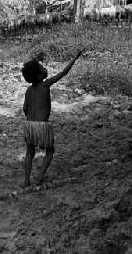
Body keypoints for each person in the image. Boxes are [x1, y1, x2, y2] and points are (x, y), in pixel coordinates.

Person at [21, 50, 83, 188]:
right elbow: (63, 72)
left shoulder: (29, 91)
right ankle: (40, 175)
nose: (44, 68)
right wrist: (75, 58)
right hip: (43, 125)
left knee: (30, 152)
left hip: (29, 125)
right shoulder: (46, 84)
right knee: (50, 151)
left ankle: (26, 181)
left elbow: (25, 108)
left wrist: (30, 119)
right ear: (39, 74)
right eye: (42, 68)